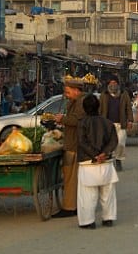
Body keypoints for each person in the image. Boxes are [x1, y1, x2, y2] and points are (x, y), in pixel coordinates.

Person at [77, 94, 119, 229]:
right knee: (108, 194)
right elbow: (114, 141)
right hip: (105, 163)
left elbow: (82, 142)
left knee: (88, 195)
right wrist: (104, 153)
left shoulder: (82, 123)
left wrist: (95, 155)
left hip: (88, 163)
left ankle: (88, 221)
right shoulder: (107, 122)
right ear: (98, 106)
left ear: (84, 108)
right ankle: (108, 218)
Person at [52, 78, 86, 218]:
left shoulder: (80, 102)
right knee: (73, 178)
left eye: (68, 92)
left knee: (70, 178)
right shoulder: (75, 102)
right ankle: (75, 205)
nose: (66, 95)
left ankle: (69, 207)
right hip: (73, 141)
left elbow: (77, 120)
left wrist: (62, 119)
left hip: (74, 144)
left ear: (76, 91)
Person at [99, 77, 133, 172]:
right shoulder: (104, 95)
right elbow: (100, 109)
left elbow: (128, 108)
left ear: (118, 84)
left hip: (120, 123)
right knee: (108, 144)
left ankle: (118, 160)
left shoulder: (123, 94)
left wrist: (130, 120)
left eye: (115, 82)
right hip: (107, 124)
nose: (113, 84)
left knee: (120, 143)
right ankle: (109, 161)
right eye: (111, 82)